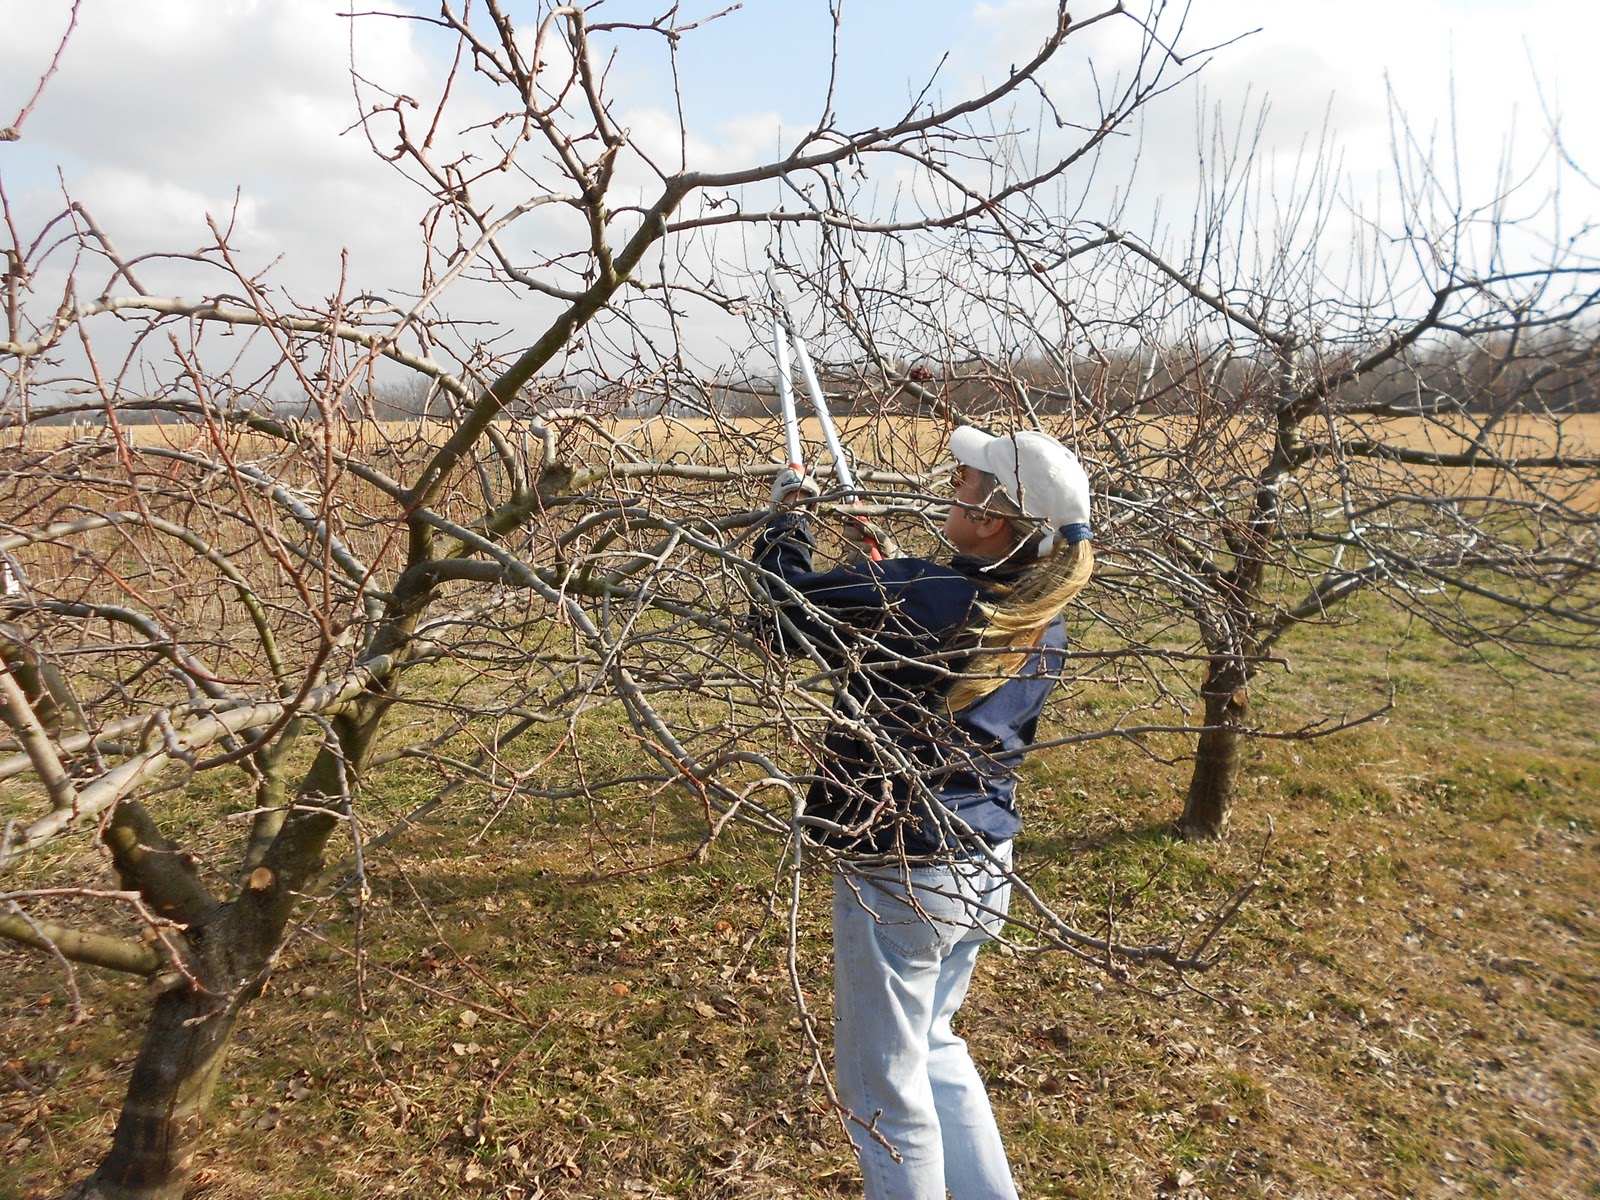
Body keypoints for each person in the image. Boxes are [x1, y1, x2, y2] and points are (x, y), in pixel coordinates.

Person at [752, 425, 1095, 1200]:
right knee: (934, 1047)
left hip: (903, 871)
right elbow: (912, 639)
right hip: (982, 865)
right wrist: (879, 581)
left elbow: (783, 606)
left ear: (994, 520)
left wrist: (785, 523)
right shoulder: (1039, 614)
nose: (954, 484)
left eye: (969, 481)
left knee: (885, 1095)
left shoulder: (921, 595)